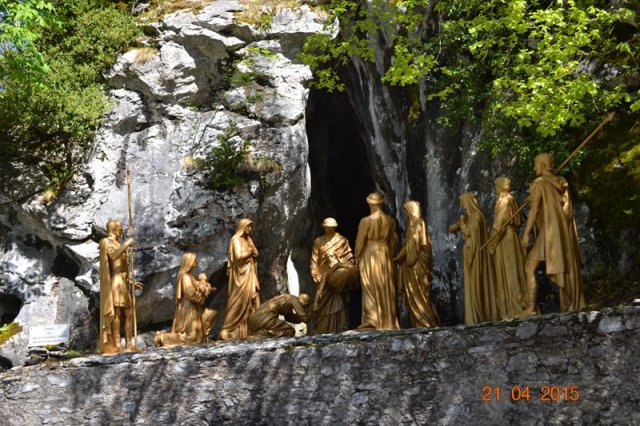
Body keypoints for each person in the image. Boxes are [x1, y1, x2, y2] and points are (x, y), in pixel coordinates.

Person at [520, 153, 586, 315]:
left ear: (542, 165)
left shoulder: (539, 183)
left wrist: (526, 233)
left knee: (529, 267)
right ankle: (572, 302)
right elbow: (559, 206)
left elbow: (535, 211)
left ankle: (531, 308)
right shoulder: (561, 181)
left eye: (535, 165)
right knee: (566, 263)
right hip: (561, 231)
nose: (534, 168)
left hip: (548, 232)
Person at [448, 193, 498, 325]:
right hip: (469, 253)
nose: (461, 206)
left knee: (475, 284)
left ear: (468, 202)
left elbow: (469, 233)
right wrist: (459, 224)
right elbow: (451, 229)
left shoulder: (476, 217)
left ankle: (478, 315)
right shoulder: (469, 217)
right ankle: (473, 317)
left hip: (475, 256)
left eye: (462, 203)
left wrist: (462, 223)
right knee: (470, 284)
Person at [355, 192, 399, 330]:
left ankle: (372, 319)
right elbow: (393, 242)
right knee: (385, 285)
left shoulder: (366, 221)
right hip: (385, 254)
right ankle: (387, 320)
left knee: (370, 285)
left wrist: (357, 258)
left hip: (370, 253)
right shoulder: (391, 221)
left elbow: (360, 242)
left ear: (369, 203)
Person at [155, 253, 218, 347]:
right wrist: (203, 295)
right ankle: (162, 337)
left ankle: (201, 337)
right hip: (188, 308)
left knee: (198, 331)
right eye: (195, 260)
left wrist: (206, 288)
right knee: (191, 337)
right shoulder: (185, 276)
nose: (197, 262)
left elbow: (196, 287)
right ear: (190, 262)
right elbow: (191, 293)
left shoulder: (190, 276)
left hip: (192, 307)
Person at [487, 177, 528, 319]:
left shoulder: (505, 201)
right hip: (508, 237)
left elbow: (499, 225)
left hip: (505, 239)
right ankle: (510, 308)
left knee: (510, 272)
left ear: (500, 188)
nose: (495, 189)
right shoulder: (509, 200)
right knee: (511, 270)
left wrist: (491, 244)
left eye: (496, 187)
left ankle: (516, 307)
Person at [310, 218, 359, 334]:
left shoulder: (342, 240)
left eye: (332, 227)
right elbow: (314, 258)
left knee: (339, 299)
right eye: (327, 228)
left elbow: (350, 260)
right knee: (322, 302)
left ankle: (340, 327)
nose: (330, 230)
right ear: (324, 227)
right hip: (322, 274)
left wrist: (339, 264)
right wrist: (314, 271)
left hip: (338, 274)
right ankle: (322, 329)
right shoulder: (318, 241)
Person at [395, 201, 439, 328]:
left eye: (406, 211)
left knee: (421, 293)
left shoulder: (418, 224)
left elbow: (414, 244)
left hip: (417, 263)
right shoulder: (412, 224)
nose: (406, 214)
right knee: (415, 294)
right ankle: (418, 322)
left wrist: (400, 256)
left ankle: (425, 322)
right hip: (413, 263)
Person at [99, 219, 139, 354]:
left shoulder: (118, 244)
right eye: (120, 227)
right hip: (115, 282)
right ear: (114, 229)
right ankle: (117, 343)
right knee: (117, 313)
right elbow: (113, 257)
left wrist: (130, 281)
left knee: (129, 313)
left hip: (123, 282)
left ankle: (129, 342)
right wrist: (126, 244)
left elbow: (123, 267)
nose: (122, 230)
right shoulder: (106, 242)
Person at [219, 218, 261, 341]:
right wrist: (250, 252)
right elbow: (238, 256)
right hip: (240, 277)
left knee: (251, 301)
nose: (250, 229)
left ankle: (248, 330)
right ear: (243, 227)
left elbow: (256, 253)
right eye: (248, 226)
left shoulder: (248, 239)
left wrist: (252, 248)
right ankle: (227, 329)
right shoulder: (235, 239)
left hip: (249, 274)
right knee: (238, 302)